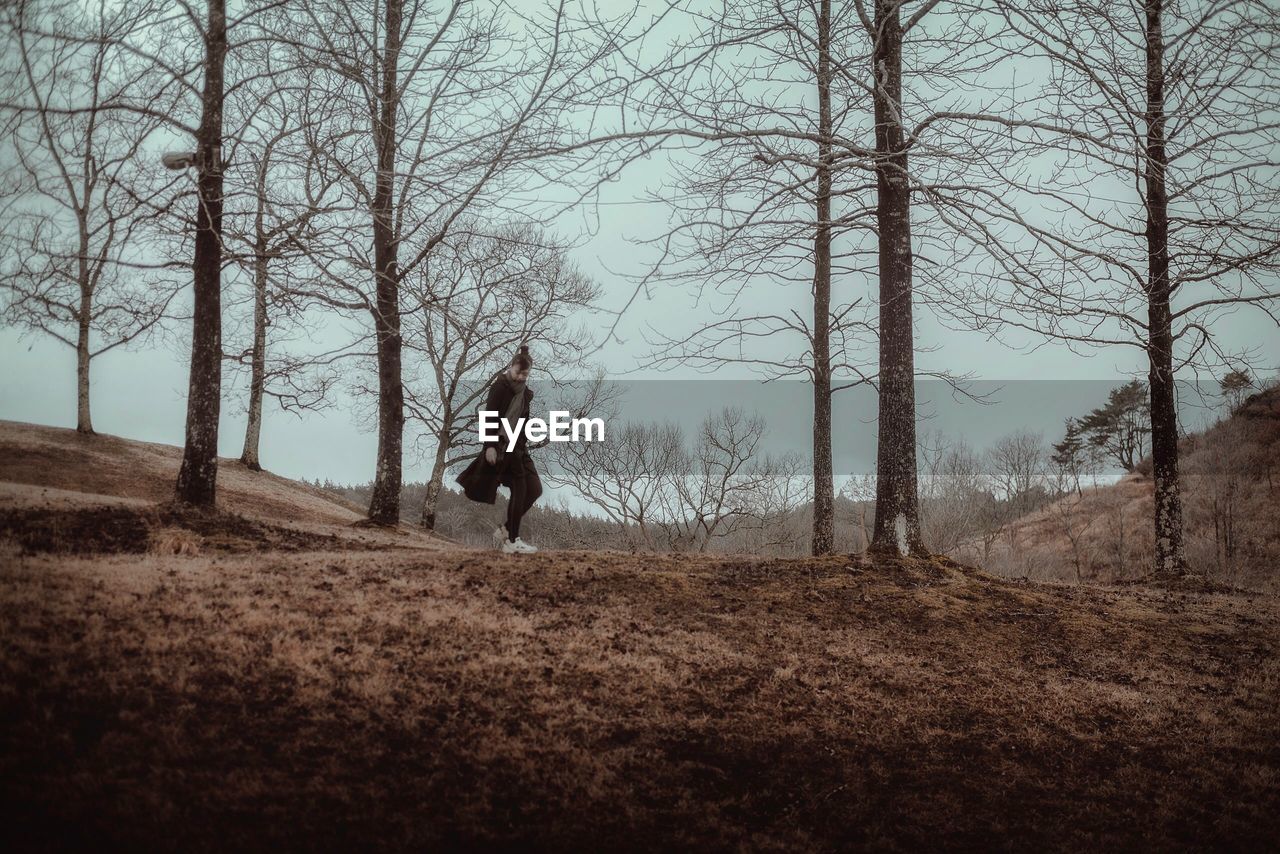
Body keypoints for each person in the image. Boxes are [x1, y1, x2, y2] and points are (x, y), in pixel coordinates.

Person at [454, 345, 543, 553]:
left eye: (525, 374)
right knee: (520, 486)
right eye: (518, 372)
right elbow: (489, 417)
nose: (520, 377)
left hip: (519, 446)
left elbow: (523, 421)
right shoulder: (500, 387)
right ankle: (512, 541)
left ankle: (505, 530)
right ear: (510, 367)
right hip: (503, 445)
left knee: (535, 489)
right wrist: (490, 446)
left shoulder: (526, 394)